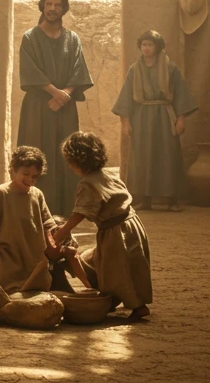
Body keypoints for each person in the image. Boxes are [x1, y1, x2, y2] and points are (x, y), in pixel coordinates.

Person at [52, 132, 153, 322]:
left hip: (114, 231)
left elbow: (80, 213)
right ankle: (113, 298)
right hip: (132, 225)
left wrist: (61, 233)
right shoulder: (108, 175)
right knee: (128, 265)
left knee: (117, 270)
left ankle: (138, 307)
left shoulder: (87, 183)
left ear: (76, 162)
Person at [16, 0, 93, 215]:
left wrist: (65, 94)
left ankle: (66, 208)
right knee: (37, 152)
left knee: (67, 153)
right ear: (43, 6)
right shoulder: (30, 37)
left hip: (65, 107)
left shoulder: (73, 39)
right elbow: (30, 70)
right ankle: (34, 208)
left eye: (57, 5)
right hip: (38, 107)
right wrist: (53, 92)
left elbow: (79, 70)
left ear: (63, 9)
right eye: (49, 4)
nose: (52, 9)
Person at [0, 146, 80, 294]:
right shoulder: (2, 193)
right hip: (8, 248)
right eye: (26, 174)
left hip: (32, 247)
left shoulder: (37, 194)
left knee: (35, 277)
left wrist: (51, 243)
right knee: (5, 279)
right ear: (13, 170)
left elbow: (46, 221)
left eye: (35, 176)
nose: (30, 179)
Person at [112, 29, 197, 211]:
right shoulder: (134, 70)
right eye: (144, 45)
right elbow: (126, 97)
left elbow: (181, 95)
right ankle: (145, 199)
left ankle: (172, 199)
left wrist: (180, 119)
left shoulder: (170, 68)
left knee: (168, 155)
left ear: (157, 47)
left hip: (164, 117)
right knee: (142, 157)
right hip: (141, 117)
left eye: (150, 45)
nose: (146, 48)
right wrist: (126, 122)